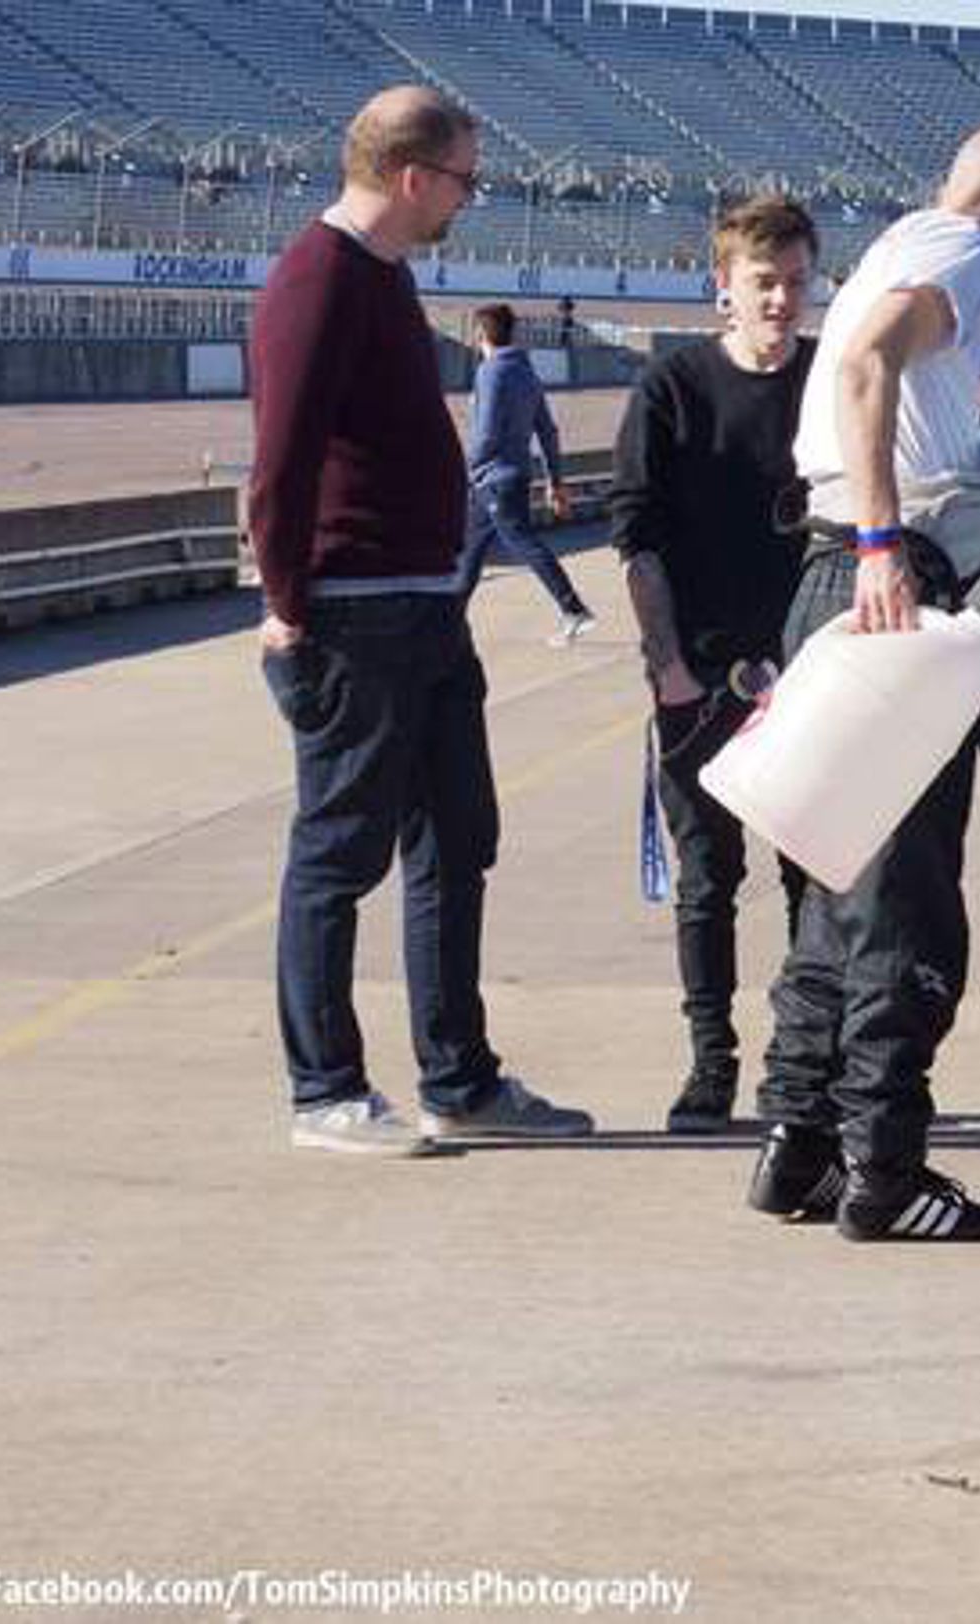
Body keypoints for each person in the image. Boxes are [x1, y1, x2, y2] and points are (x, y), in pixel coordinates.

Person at [248, 85, 593, 1155]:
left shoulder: (381, 276)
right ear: (411, 177)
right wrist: (287, 611)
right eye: (463, 180)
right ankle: (327, 1090)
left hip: (423, 605)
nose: (467, 199)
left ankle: (460, 1076)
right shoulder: (319, 278)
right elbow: (281, 462)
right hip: (353, 615)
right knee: (339, 852)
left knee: (455, 839)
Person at [742, 125, 980, 1242]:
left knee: (836, 883)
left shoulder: (897, 241)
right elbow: (871, 360)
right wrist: (885, 543)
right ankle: (886, 1171)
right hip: (884, 580)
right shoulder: (965, 249)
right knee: (907, 907)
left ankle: (799, 1145)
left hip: (828, 572)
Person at [610, 195, 819, 1134]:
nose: (781, 300)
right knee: (709, 877)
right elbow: (638, 536)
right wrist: (668, 669)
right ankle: (711, 1061)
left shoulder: (830, 381)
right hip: (699, 676)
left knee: (814, 877)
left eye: (797, 282)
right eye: (764, 282)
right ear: (723, 286)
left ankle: (800, 1060)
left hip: (815, 677)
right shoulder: (671, 388)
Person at [457, 302, 596, 644]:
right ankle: (446, 624)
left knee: (522, 542)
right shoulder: (526, 373)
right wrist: (555, 481)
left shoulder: (490, 372)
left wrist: (468, 467)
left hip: (492, 479)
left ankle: (573, 608)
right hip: (512, 475)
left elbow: (486, 432)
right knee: (470, 553)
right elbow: (547, 430)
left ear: (480, 335)